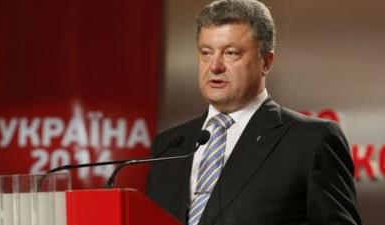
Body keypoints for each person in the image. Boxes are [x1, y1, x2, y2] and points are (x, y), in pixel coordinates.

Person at [146, 0, 362, 224]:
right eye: (206, 53)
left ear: (266, 63)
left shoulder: (311, 141)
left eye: (231, 53)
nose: (215, 66)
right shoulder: (168, 146)